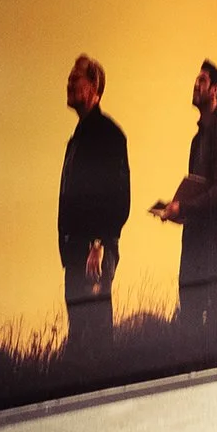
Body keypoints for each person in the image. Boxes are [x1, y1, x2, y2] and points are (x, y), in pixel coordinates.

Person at [153, 60, 217, 325]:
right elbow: (198, 188)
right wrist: (176, 208)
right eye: (196, 79)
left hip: (214, 241)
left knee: (214, 318)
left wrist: (182, 208)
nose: (196, 84)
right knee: (189, 314)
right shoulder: (198, 138)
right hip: (194, 237)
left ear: (215, 89)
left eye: (202, 80)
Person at [57, 54, 131, 356]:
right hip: (75, 252)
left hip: (94, 252)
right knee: (78, 337)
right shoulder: (75, 140)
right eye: (69, 77)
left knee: (97, 337)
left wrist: (98, 244)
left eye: (77, 78)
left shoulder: (109, 135)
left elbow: (119, 198)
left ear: (95, 88)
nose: (70, 82)